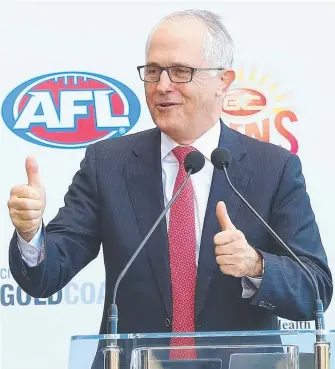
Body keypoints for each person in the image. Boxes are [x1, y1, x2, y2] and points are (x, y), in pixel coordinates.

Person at [7, 9, 332, 341]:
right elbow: (46, 275)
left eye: (180, 72)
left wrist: (256, 266)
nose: (162, 86)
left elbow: (316, 291)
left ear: (223, 81)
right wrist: (32, 234)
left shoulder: (273, 168)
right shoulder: (107, 164)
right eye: (153, 71)